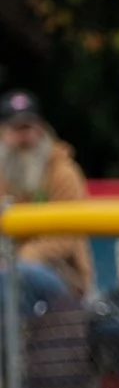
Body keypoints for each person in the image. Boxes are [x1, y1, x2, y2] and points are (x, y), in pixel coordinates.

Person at [0, 90, 94, 298]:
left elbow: (65, 235)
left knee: (20, 274)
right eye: (16, 129)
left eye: (28, 127)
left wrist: (19, 259)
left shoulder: (62, 172)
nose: (23, 136)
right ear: (3, 132)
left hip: (62, 277)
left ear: (40, 129)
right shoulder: (2, 173)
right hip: (8, 270)